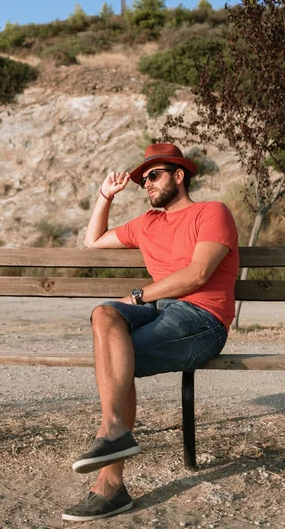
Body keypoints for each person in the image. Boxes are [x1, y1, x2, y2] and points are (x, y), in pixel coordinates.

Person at [62, 143, 239, 522]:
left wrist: (138, 296)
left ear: (179, 175)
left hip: (202, 318)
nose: (146, 184)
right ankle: (114, 433)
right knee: (104, 313)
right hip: (161, 311)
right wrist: (104, 196)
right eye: (143, 180)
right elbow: (93, 241)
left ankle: (110, 484)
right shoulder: (147, 223)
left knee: (114, 362)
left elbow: (198, 275)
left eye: (153, 175)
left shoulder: (212, 212)